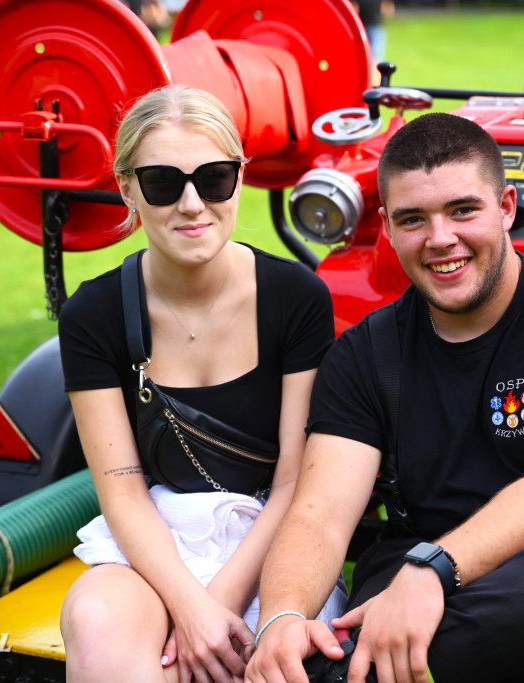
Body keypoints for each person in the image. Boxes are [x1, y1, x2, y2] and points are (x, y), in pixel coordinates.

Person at [245, 112, 524, 683]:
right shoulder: (365, 352)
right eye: (413, 219)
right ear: (388, 231)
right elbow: (319, 515)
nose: (440, 239)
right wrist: (282, 620)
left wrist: (433, 570)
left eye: (462, 210)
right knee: (348, 615)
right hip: (408, 587)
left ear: (508, 207)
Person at [58, 84, 346, 683]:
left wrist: (219, 605)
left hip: (273, 543)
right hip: (155, 545)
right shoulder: (93, 314)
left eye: (214, 178)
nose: (192, 204)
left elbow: (297, 480)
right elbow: (123, 492)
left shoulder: (296, 299)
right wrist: (189, 607)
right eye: (163, 183)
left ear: (241, 177)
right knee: (98, 621)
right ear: (127, 187)